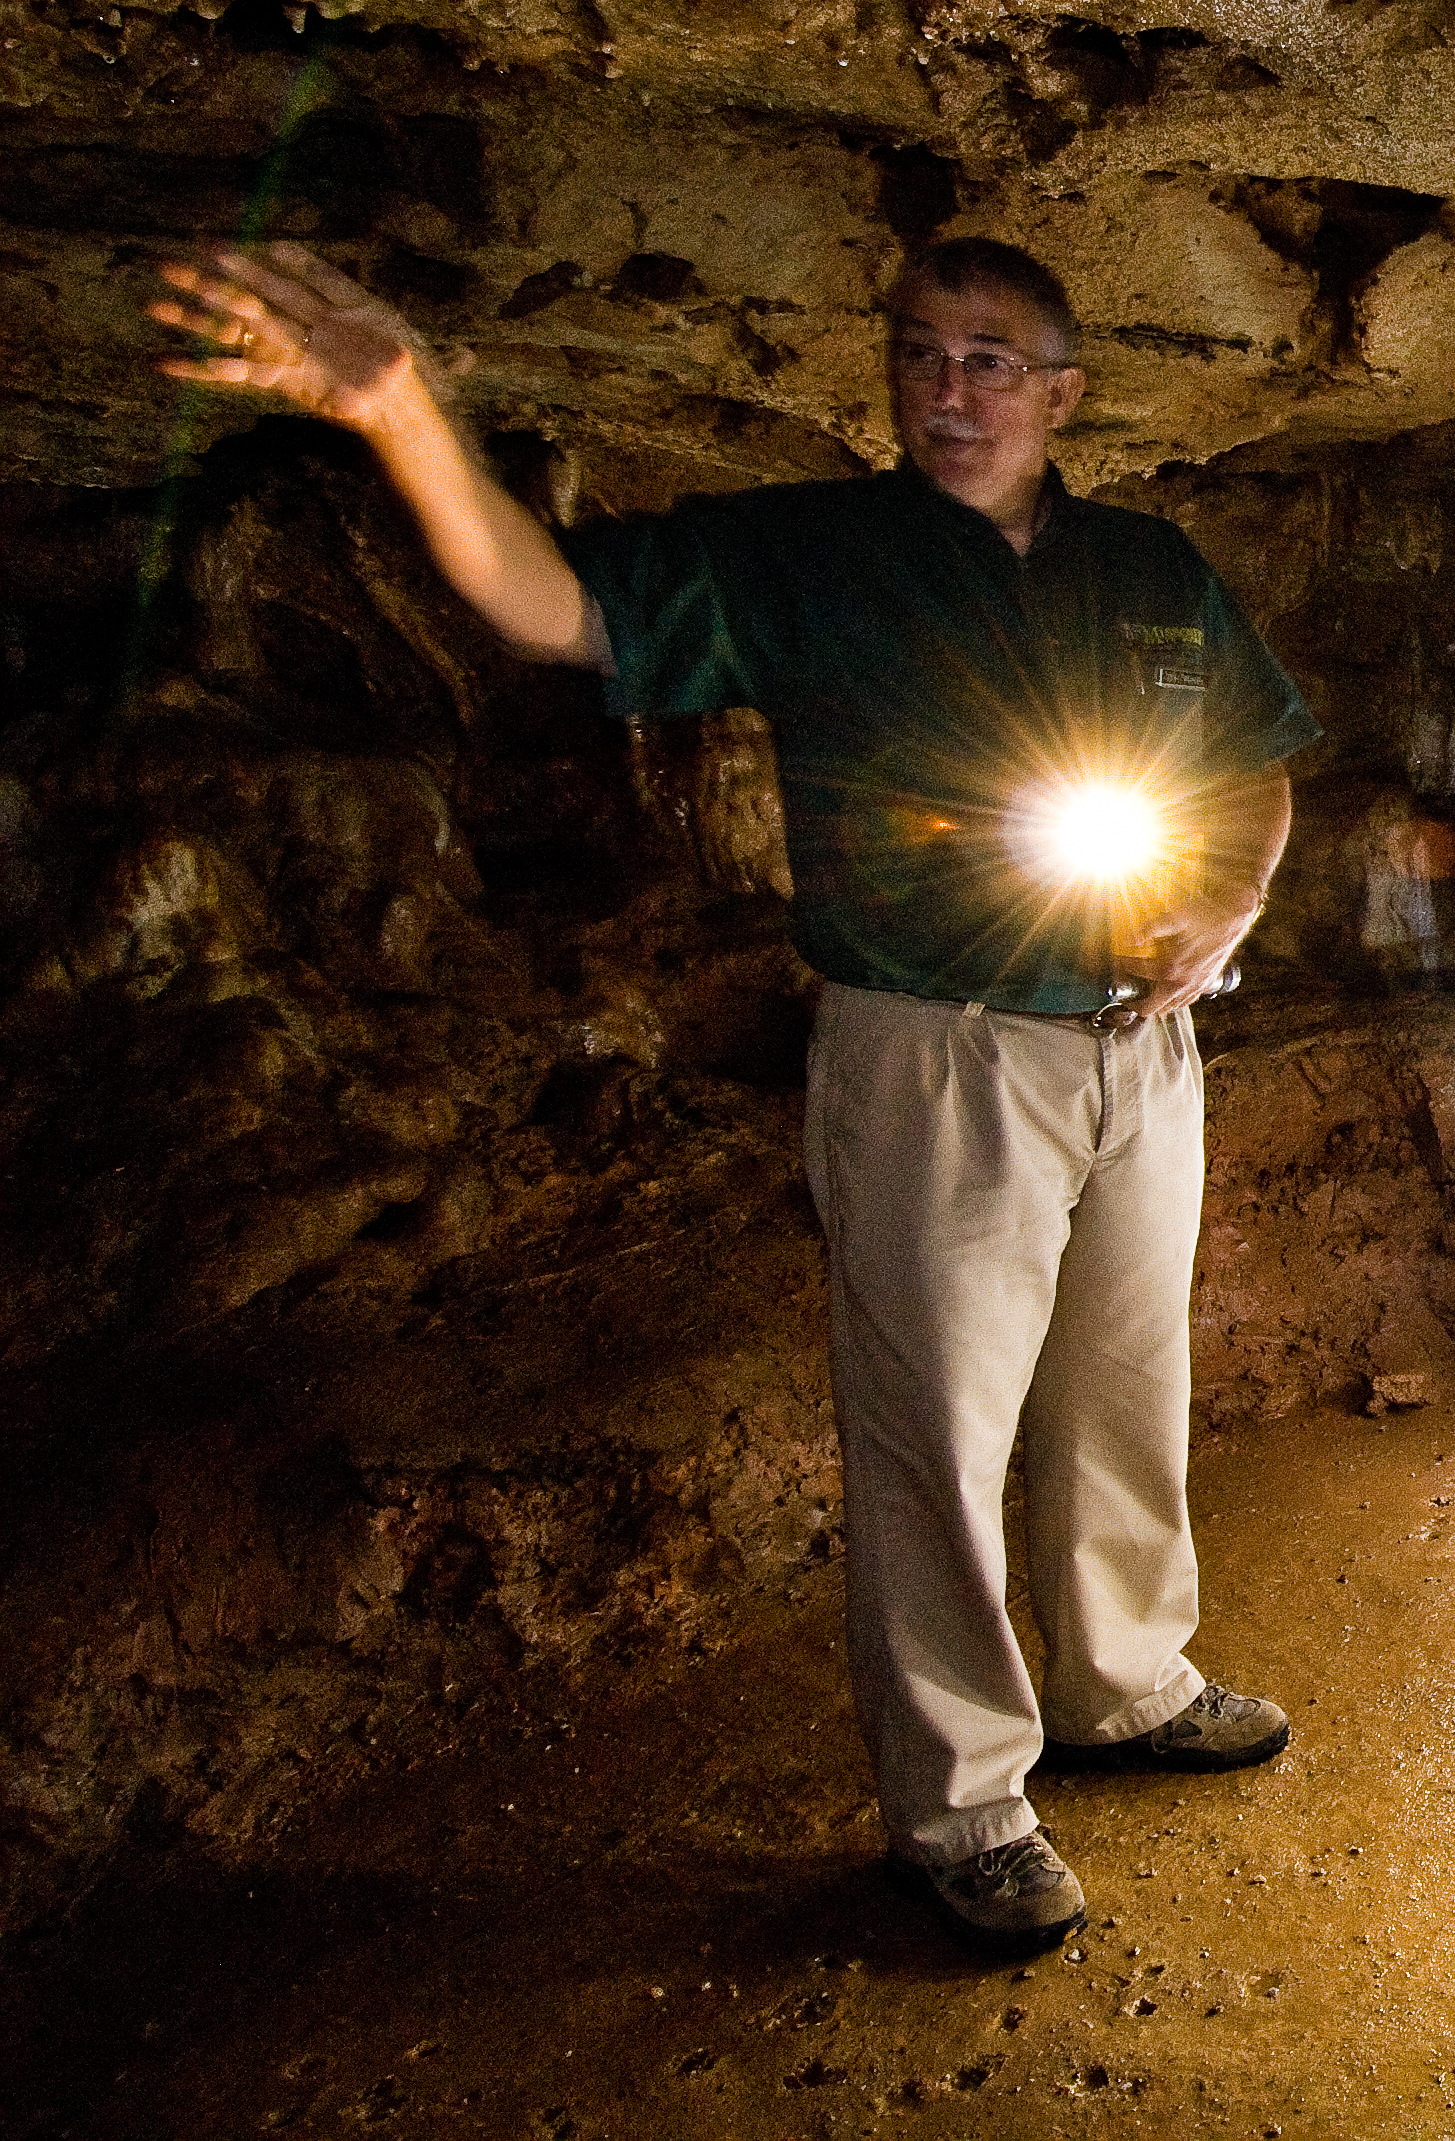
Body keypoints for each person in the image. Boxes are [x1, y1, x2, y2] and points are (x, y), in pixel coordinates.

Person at [148, 236, 1314, 1957]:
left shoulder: (1147, 564)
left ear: (1064, 394)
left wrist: (1233, 907)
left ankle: (1126, 1685)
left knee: (1122, 1391)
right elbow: (552, 605)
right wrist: (405, 413)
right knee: (934, 1432)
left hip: (1142, 1042)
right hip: (937, 1047)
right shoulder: (811, 552)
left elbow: (1258, 758)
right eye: (920, 353)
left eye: (992, 360)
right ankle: (962, 1802)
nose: (949, 389)